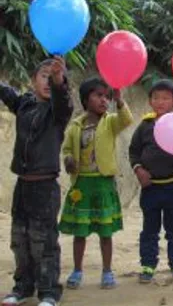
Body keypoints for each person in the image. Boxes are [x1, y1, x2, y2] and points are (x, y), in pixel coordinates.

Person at [0, 57, 73, 306]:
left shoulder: (58, 112)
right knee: (20, 239)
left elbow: (62, 98)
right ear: (32, 81)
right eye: (43, 75)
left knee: (44, 242)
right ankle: (22, 287)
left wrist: (58, 80)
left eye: (52, 77)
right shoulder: (24, 105)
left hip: (45, 187)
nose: (47, 80)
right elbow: (6, 92)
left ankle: (49, 292)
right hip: (23, 185)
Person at [58, 77, 133, 290]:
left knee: (105, 232)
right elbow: (67, 149)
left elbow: (126, 119)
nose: (104, 100)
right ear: (85, 99)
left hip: (103, 184)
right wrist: (68, 159)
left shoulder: (110, 121)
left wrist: (119, 101)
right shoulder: (75, 126)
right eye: (98, 95)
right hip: (82, 184)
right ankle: (77, 270)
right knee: (80, 232)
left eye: (107, 96)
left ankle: (107, 271)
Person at [129, 79, 173, 285]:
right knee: (150, 228)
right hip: (151, 188)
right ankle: (148, 265)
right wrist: (138, 169)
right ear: (150, 101)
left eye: (165, 98)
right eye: (156, 97)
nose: (160, 102)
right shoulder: (145, 125)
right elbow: (133, 151)